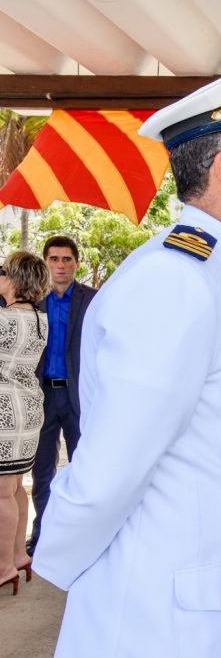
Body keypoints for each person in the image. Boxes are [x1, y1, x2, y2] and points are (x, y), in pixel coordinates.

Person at [33, 55, 221, 657]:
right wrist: (65, 568)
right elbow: (104, 477)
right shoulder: (176, 282)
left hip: (215, 609)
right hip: (159, 622)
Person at [26, 236, 97, 556]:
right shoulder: (32, 300)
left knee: (85, 467)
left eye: (67, 259)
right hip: (40, 396)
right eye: (54, 259)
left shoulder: (92, 299)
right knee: (42, 468)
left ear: (76, 263)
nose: (60, 265)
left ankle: (83, 535)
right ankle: (43, 531)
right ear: (45, 263)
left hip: (77, 397)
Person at [0, 252, 52, 595]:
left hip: (5, 411)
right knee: (15, 487)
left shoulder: (5, 320)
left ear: (16, 280)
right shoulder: (37, 318)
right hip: (28, 409)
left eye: (4, 272)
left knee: (3, 492)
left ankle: (3, 565)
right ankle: (18, 554)